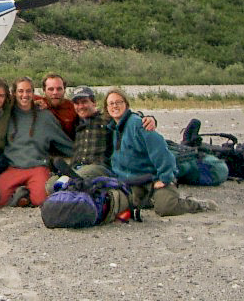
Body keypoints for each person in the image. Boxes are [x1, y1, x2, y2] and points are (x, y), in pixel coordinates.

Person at [104, 88, 217, 216]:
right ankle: (151, 199)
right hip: (134, 181)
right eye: (111, 103)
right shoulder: (112, 129)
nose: (115, 106)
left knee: (165, 208)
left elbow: (161, 151)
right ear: (107, 108)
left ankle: (197, 204)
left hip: (155, 177)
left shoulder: (138, 124)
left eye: (118, 102)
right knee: (124, 204)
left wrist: (165, 177)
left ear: (126, 104)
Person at [0, 76, 73, 208]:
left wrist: (84, 156)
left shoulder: (45, 116)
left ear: (33, 93)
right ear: (14, 93)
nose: (24, 95)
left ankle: (26, 194)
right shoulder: (7, 114)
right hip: (13, 167)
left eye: (28, 91)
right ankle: (22, 193)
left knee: (41, 201)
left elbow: (63, 142)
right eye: (20, 91)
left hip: (38, 167)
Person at [46, 85, 112, 190]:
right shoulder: (77, 124)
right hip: (76, 168)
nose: (80, 106)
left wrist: (146, 120)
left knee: (77, 178)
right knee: (51, 185)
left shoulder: (106, 119)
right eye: (77, 103)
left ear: (93, 102)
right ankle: (75, 188)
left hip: (98, 168)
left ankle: (76, 186)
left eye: (84, 102)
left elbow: (124, 117)